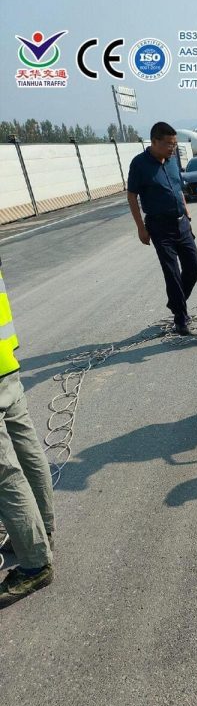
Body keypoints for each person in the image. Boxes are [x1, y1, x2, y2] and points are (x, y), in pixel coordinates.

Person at [0, 260, 54, 609]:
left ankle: (35, 562)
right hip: (4, 357)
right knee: (25, 446)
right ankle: (42, 531)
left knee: (4, 472)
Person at [127, 122, 197, 336]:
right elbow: (132, 196)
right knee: (172, 273)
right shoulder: (139, 164)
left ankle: (176, 303)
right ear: (154, 141)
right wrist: (141, 228)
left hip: (182, 223)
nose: (173, 148)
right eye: (169, 144)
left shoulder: (171, 160)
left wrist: (186, 213)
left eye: (174, 144)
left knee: (194, 267)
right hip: (160, 227)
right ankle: (181, 319)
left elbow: (178, 189)